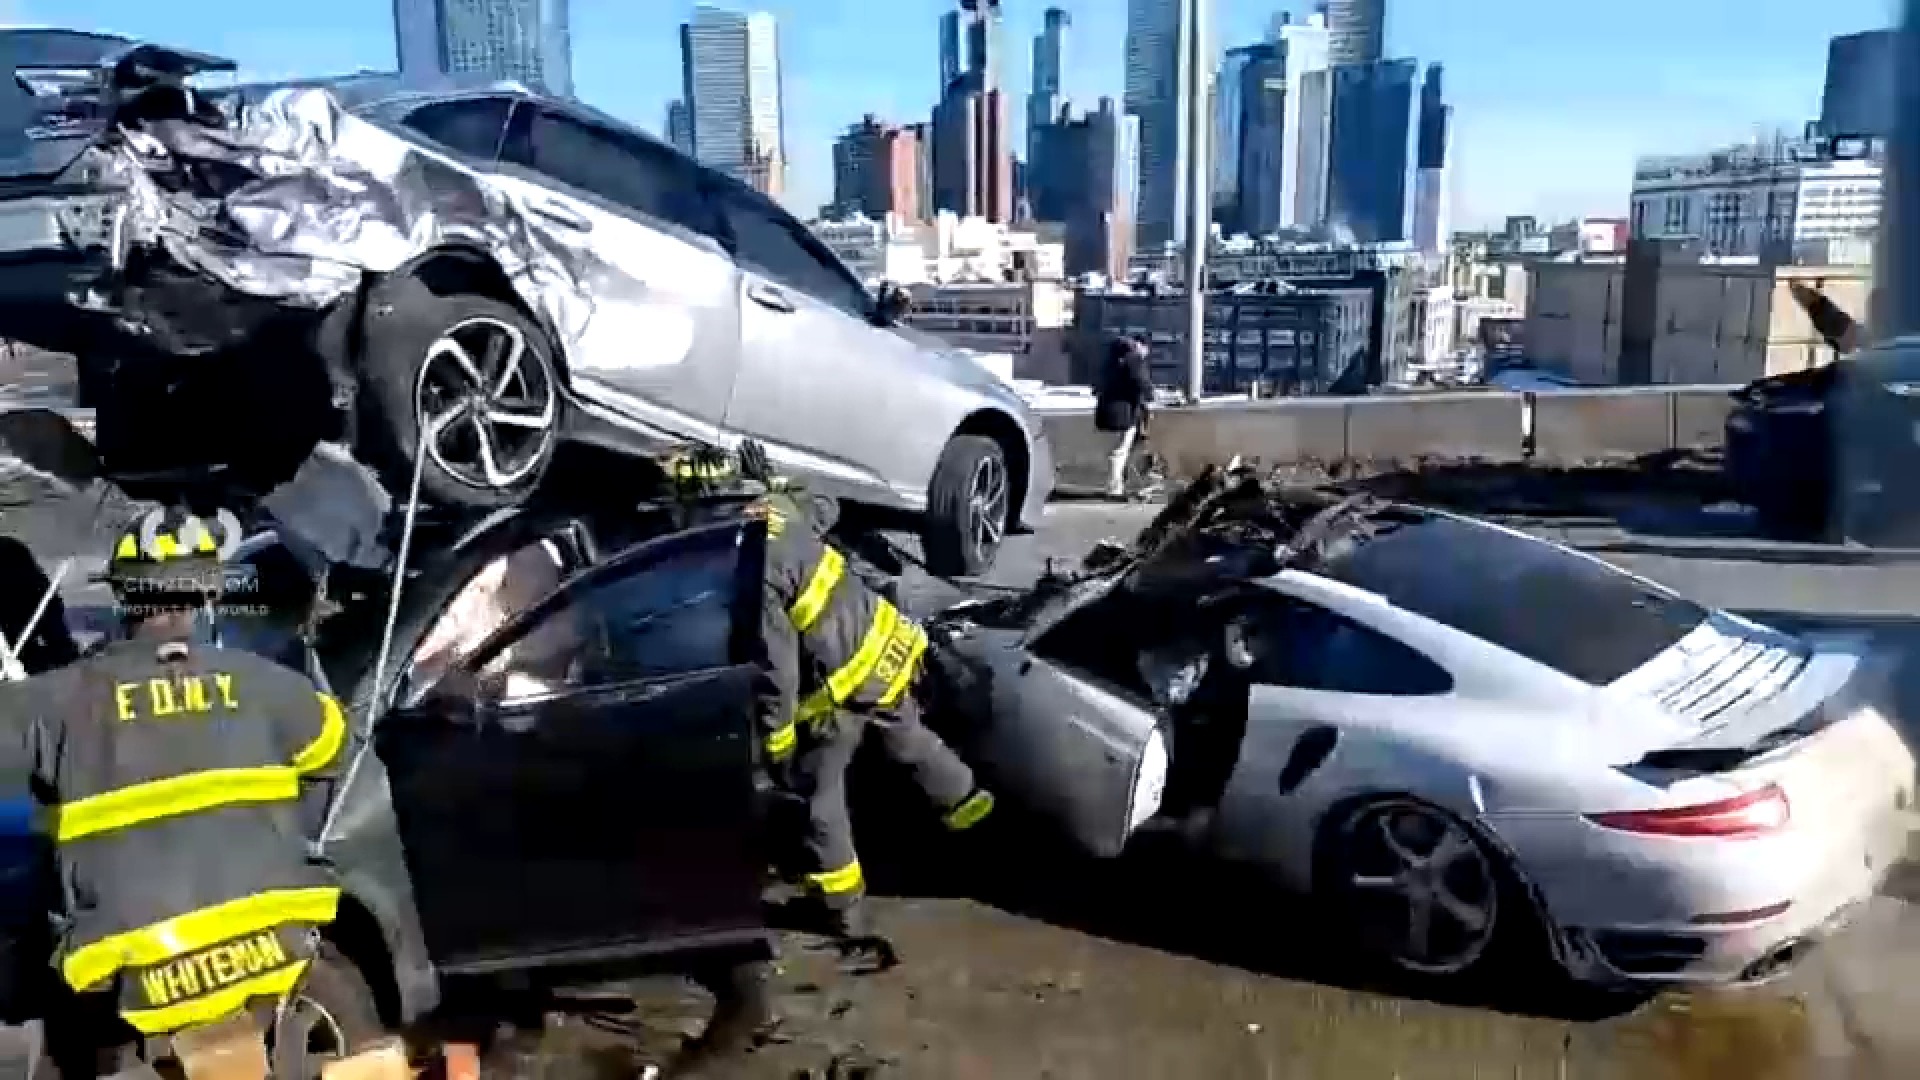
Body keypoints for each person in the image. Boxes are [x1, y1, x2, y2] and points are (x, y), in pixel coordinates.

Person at [2, 512, 351, 1080]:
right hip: (269, 951)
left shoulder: (56, 702)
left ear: (121, 596)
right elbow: (333, 750)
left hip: (135, 972)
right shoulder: (268, 684)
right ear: (207, 595)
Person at [665, 441, 996, 955]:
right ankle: (980, 821)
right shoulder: (774, 512)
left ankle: (842, 911)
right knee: (909, 742)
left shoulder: (752, 565)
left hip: (843, 681)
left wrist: (776, 745)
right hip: (885, 645)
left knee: (819, 793)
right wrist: (775, 480)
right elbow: (826, 505)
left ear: (700, 501)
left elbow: (777, 668)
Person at [1093, 334, 1155, 500]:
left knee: (1117, 451)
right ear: (1140, 346)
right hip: (1124, 414)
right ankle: (1114, 489)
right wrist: (1150, 395)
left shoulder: (1110, 361)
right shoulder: (1134, 360)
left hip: (1107, 412)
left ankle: (1118, 483)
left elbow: (1096, 386)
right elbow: (1141, 382)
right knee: (1120, 452)